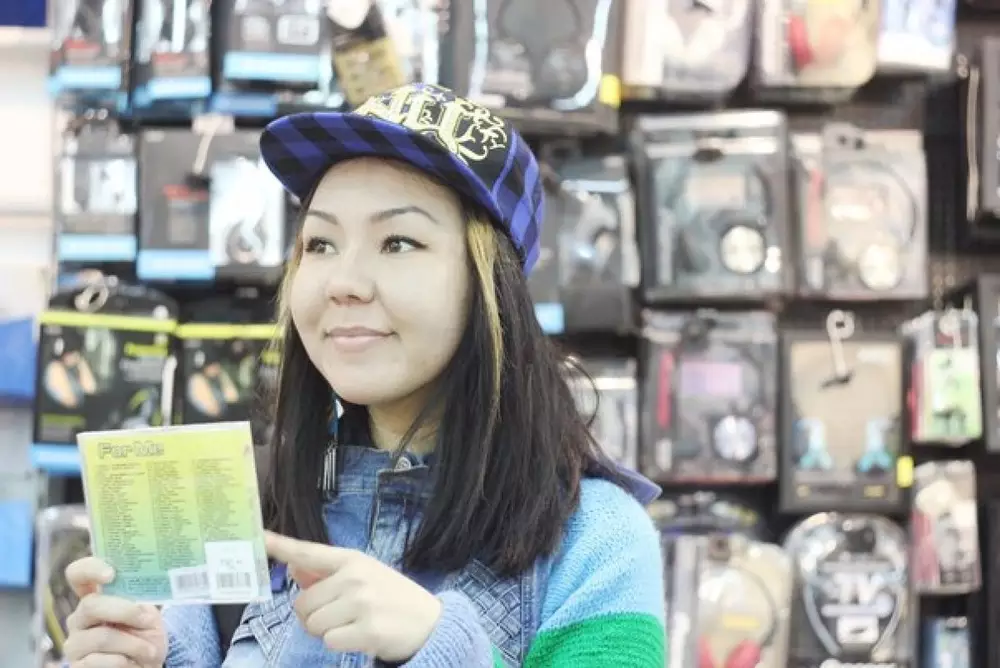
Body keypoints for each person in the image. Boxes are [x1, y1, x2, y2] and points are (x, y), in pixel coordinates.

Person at [60, 83, 667, 667]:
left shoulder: (597, 537)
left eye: (398, 242)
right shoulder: (239, 505)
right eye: (321, 244)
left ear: (491, 285)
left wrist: (440, 647)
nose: (342, 282)